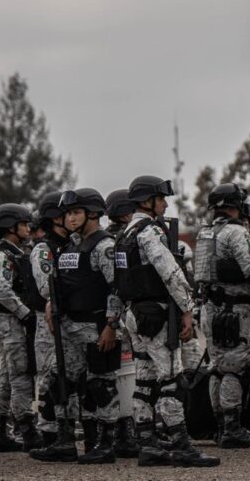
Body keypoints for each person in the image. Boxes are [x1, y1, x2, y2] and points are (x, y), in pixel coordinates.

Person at [115, 175, 218, 468]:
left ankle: (148, 444)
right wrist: (187, 308)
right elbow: (170, 272)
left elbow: (118, 281)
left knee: (144, 382)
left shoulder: (124, 235)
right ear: (147, 201)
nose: (164, 204)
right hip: (157, 314)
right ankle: (182, 445)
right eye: (160, 199)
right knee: (172, 380)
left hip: (135, 315)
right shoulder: (150, 231)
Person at [31, 189, 122, 464]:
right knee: (61, 383)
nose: (69, 218)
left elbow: (117, 288)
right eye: (67, 213)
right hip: (69, 328)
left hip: (97, 327)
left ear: (92, 214)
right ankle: (64, 440)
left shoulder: (104, 247)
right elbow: (60, 282)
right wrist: (52, 305)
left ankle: (104, 443)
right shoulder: (70, 245)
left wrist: (111, 325)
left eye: (75, 213)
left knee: (100, 386)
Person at [192, 184, 250, 450]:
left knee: (216, 367)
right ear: (236, 205)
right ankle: (233, 428)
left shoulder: (204, 233)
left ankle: (220, 426)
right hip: (235, 309)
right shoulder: (236, 232)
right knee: (236, 367)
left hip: (210, 308)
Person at [0, 202, 41, 453]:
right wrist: (24, 313)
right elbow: (0, 289)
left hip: (13, 321)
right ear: (10, 227)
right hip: (11, 321)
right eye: (23, 224)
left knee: (8, 378)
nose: (28, 228)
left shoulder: (15, 253)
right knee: (21, 375)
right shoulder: (3, 256)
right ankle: (28, 431)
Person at [28, 191, 71, 448]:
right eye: (67, 213)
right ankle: (48, 432)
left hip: (71, 320)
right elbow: (47, 287)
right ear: (55, 218)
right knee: (49, 375)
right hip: (49, 321)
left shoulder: (72, 245)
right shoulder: (44, 250)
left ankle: (65, 427)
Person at [103, 188, 139, 457]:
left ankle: (121, 431)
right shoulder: (125, 240)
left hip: (108, 315)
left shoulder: (105, 239)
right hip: (122, 314)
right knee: (127, 373)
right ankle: (125, 432)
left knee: (115, 374)